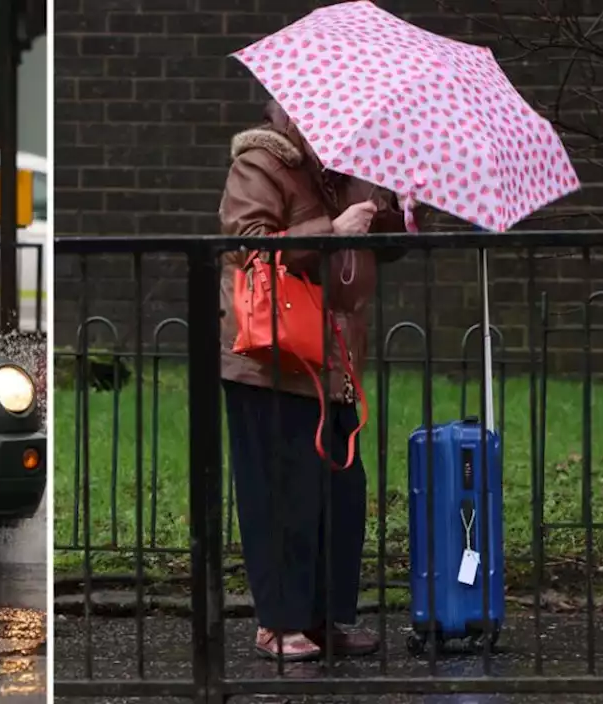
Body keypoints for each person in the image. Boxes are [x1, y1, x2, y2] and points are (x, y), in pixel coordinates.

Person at [218, 100, 410, 662]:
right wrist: (330, 229)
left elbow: (383, 245)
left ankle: (327, 619)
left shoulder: (351, 174)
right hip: (270, 361)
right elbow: (249, 243)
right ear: (287, 111)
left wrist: (401, 208)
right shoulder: (260, 163)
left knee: (340, 497)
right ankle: (278, 623)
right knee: (281, 495)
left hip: (333, 359)